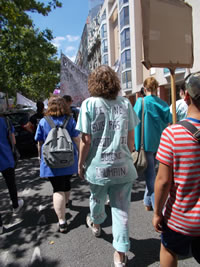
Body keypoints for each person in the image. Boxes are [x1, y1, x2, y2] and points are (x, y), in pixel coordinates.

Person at [76, 65, 139, 267]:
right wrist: (126, 153)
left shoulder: (88, 104)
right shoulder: (125, 103)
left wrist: (80, 164)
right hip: (123, 166)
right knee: (121, 210)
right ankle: (120, 254)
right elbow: (131, 137)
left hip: (98, 167)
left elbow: (85, 140)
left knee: (97, 198)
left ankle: (96, 223)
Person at [153, 72, 200, 267]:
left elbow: (163, 182)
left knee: (168, 249)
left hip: (180, 217)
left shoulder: (172, 133)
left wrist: (157, 212)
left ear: (186, 96)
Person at [34, 95, 80, 233]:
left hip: (51, 161)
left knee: (57, 188)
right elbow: (76, 139)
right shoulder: (70, 120)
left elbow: (40, 142)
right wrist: (81, 155)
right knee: (66, 182)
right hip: (68, 159)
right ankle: (65, 203)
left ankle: (62, 221)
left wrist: (39, 157)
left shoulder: (43, 121)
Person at [134, 77, 172, 211]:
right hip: (162, 143)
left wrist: (135, 144)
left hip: (146, 144)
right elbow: (170, 120)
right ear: (156, 88)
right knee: (153, 173)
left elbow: (134, 123)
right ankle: (147, 202)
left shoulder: (141, 102)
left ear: (145, 89)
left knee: (151, 175)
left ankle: (157, 207)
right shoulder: (163, 103)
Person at [0, 116, 24, 234]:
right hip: (6, 157)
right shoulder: (5, 121)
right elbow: (13, 140)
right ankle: (15, 204)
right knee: (11, 183)